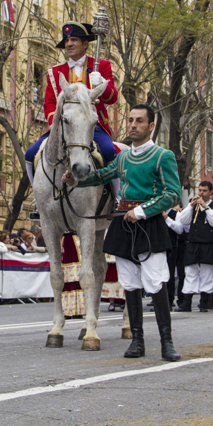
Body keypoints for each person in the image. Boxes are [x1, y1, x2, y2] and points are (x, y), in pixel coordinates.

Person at [62, 104, 182, 362]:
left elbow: (172, 194)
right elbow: (103, 175)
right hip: (124, 225)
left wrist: (141, 212)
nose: (133, 125)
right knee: (130, 284)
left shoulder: (163, 156)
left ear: (151, 126)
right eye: (130, 120)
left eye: (139, 121)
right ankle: (137, 341)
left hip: (148, 224)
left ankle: (166, 342)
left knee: (156, 282)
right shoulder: (124, 157)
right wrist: (77, 179)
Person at [25, 21, 120, 204]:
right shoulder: (54, 72)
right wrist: (56, 122)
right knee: (30, 154)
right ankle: (39, 199)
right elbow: (50, 104)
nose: (69, 44)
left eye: (74, 40)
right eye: (67, 40)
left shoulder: (102, 65)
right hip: (64, 125)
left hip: (93, 125)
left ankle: (117, 197)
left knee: (110, 152)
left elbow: (112, 98)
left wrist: (102, 84)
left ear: (85, 44)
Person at [176, 181, 213, 313]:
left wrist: (206, 208)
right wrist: (190, 206)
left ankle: (204, 303)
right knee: (190, 273)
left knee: (208, 274)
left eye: (204, 191)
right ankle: (186, 303)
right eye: (200, 190)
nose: (201, 193)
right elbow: (183, 221)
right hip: (193, 244)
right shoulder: (193, 205)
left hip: (209, 245)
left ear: (210, 192)